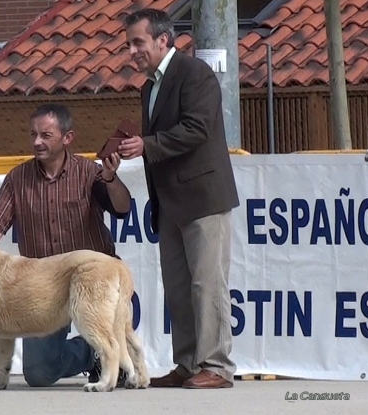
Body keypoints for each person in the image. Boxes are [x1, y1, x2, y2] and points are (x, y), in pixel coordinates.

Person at [120, 8, 240, 389]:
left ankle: (216, 366)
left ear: (163, 40)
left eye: (138, 42)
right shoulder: (148, 87)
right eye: (129, 45)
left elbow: (197, 128)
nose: (132, 52)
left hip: (203, 198)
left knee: (208, 285)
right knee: (178, 288)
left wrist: (146, 144)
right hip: (169, 203)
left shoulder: (194, 74)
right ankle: (188, 364)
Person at [0, 103, 132, 387]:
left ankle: (108, 349)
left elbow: (122, 208)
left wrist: (110, 179)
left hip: (91, 281)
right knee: (38, 373)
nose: (37, 142)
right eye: (33, 134)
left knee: (102, 325)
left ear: (67, 137)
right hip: (42, 288)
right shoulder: (17, 178)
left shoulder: (90, 172)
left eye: (46, 135)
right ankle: (92, 354)